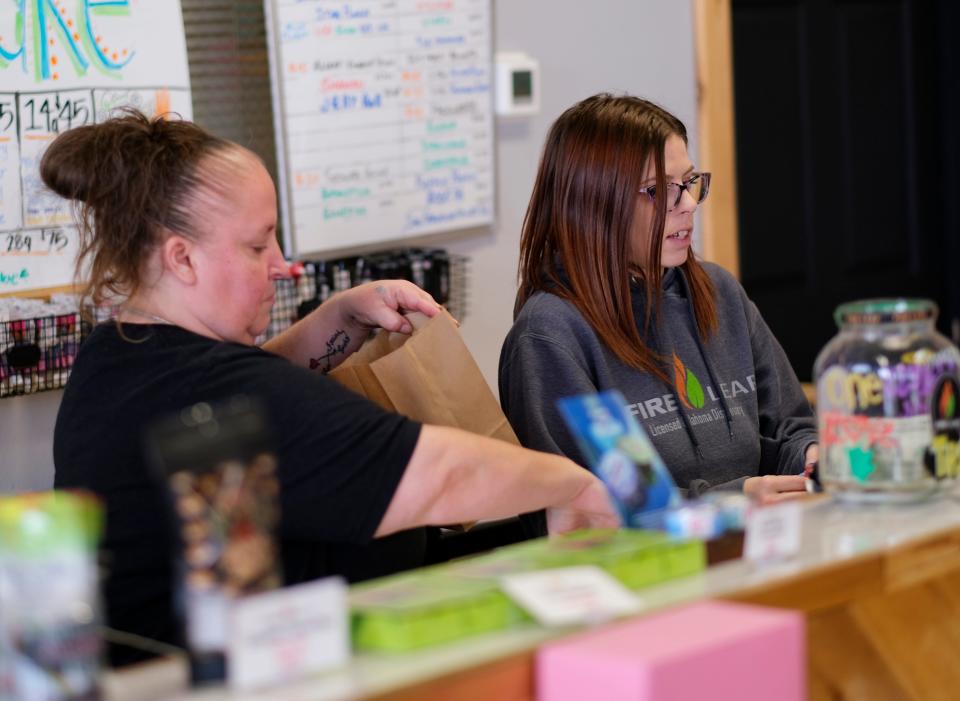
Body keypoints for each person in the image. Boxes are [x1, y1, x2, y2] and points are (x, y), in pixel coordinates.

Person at [44, 112, 618, 667]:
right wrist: (571, 482)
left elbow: (243, 386)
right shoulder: (232, 392)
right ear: (182, 257)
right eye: (257, 245)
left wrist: (336, 319)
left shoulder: (116, 356)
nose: (282, 265)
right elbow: (442, 474)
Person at [499, 94, 817, 526]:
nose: (687, 204)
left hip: (758, 550)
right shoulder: (555, 335)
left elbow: (789, 429)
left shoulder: (718, 291)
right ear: (594, 206)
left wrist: (813, 458)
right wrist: (733, 503)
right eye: (656, 191)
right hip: (644, 582)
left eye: (688, 183)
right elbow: (602, 509)